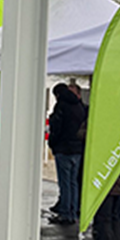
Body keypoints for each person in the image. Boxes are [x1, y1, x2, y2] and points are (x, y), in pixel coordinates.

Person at [47, 83, 87, 225]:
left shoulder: (61, 106)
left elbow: (56, 128)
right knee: (73, 183)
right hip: (78, 150)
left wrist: (52, 143)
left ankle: (65, 213)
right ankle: (73, 212)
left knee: (65, 183)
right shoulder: (80, 106)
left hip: (64, 149)